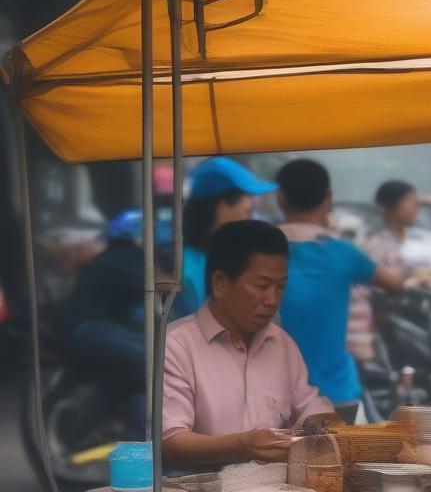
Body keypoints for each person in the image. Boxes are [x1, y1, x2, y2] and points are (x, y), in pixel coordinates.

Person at [162, 220, 333, 468]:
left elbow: (309, 406)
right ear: (220, 283)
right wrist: (241, 445)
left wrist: (321, 423)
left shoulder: (281, 343)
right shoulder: (176, 346)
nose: (272, 300)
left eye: (281, 287)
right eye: (262, 286)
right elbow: (170, 442)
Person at [274, 159, 403, 410]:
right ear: (329, 198)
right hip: (336, 394)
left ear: (281, 199)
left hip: (275, 396)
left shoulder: (260, 249)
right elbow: (395, 284)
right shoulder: (343, 253)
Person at [62, 208, 173, 436]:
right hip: (90, 329)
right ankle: (141, 436)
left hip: (96, 329)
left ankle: (108, 429)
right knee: (151, 365)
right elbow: (160, 290)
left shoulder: (115, 258)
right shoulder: (126, 259)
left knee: (126, 374)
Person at [179, 156, 277, 315]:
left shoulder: (238, 257)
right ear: (221, 206)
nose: (252, 207)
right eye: (248, 209)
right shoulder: (184, 270)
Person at [348, 180, 423, 362]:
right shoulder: (378, 245)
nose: (417, 209)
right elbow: (377, 287)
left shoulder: (409, 241)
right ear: (393, 207)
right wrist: (415, 280)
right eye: (412, 202)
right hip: (375, 325)